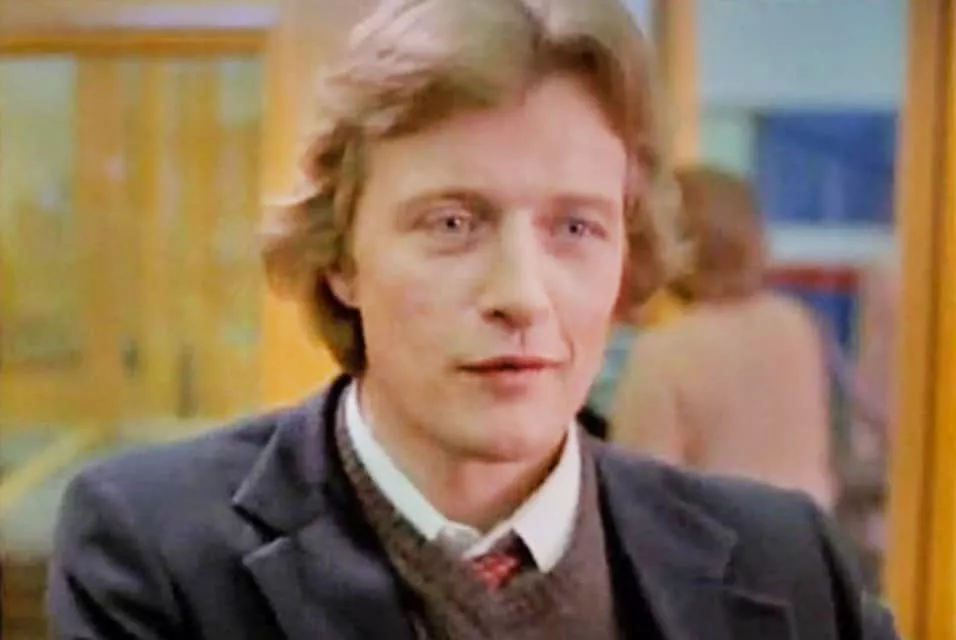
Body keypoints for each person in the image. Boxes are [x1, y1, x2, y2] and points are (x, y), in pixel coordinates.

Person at [47, 1, 897, 638]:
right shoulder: (156, 552)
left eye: (575, 228)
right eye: (453, 223)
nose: (522, 294)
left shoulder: (788, 562)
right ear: (342, 257)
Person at [611, 166, 838, 509]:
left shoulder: (664, 352)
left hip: (715, 538)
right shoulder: (796, 323)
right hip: (809, 534)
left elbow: (635, 495)